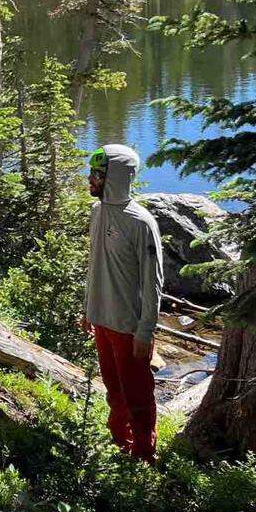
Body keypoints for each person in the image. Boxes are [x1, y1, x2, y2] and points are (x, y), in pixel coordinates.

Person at [80, 144, 164, 463]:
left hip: (129, 326)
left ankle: (144, 454)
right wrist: (89, 309)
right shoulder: (98, 212)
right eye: (92, 173)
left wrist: (146, 331)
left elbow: (153, 282)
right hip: (102, 319)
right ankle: (119, 443)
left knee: (137, 394)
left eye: (97, 174)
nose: (91, 179)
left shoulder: (140, 222)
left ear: (116, 177)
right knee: (114, 389)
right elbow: (95, 265)